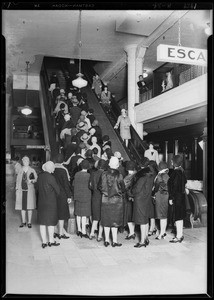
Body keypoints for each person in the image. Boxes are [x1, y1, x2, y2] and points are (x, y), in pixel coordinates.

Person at [99, 156, 125, 247]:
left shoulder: (103, 174)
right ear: (117, 165)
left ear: (109, 164)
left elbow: (100, 186)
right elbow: (123, 188)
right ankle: (114, 241)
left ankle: (106, 240)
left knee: (106, 220)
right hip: (117, 201)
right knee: (115, 222)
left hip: (105, 199)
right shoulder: (119, 175)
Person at [37, 161, 60, 248]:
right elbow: (58, 191)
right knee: (51, 223)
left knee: (42, 223)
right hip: (51, 203)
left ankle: (44, 242)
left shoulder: (40, 176)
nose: (54, 168)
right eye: (53, 167)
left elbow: (37, 189)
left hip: (41, 202)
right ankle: (51, 241)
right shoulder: (51, 177)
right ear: (50, 168)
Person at [132, 157, 154, 248]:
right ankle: (145, 238)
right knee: (145, 220)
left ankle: (142, 242)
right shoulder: (151, 174)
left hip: (140, 200)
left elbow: (137, 189)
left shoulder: (142, 176)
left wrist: (130, 192)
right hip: (147, 199)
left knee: (141, 221)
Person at [168, 155, 187, 243]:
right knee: (180, 216)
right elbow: (185, 183)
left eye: (172, 161)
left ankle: (178, 236)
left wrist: (171, 197)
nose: (171, 163)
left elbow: (174, 187)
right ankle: (180, 234)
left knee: (177, 217)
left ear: (175, 162)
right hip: (182, 196)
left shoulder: (175, 173)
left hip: (177, 197)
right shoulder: (182, 171)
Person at [15, 156, 38, 228]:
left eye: (27, 161)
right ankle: (23, 222)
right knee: (22, 207)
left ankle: (29, 222)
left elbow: (35, 179)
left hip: (29, 191)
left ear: (29, 162)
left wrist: (31, 181)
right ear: (22, 162)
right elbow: (17, 180)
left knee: (29, 207)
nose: (25, 162)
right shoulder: (20, 170)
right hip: (21, 191)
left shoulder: (32, 170)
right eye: (24, 161)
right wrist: (16, 189)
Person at [53, 153, 72, 239]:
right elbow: (66, 184)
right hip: (62, 194)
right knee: (61, 214)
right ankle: (60, 233)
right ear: (62, 161)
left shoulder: (51, 169)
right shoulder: (64, 170)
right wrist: (69, 196)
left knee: (54, 213)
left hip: (53, 194)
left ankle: (53, 231)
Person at [89, 159, 108, 241]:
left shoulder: (93, 173)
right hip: (103, 197)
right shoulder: (105, 174)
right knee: (102, 217)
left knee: (95, 216)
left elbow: (90, 186)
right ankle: (100, 235)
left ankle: (92, 233)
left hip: (95, 196)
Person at [73, 159, 92, 238]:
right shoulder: (88, 175)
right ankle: (84, 231)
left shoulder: (76, 174)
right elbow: (91, 186)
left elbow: (73, 184)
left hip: (77, 195)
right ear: (88, 167)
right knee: (84, 214)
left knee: (78, 213)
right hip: (86, 196)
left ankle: (79, 230)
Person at [152, 161, 170, 240]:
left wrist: (153, 193)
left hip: (160, 195)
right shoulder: (167, 175)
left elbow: (156, 187)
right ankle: (163, 232)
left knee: (161, 215)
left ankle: (161, 234)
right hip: (166, 195)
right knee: (164, 215)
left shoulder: (160, 176)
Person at [123, 161, 137, 240]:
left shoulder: (128, 177)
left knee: (129, 215)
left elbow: (125, 187)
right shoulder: (136, 175)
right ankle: (132, 232)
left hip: (128, 198)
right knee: (132, 216)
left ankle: (131, 233)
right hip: (134, 199)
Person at [147, 160, 158, 236]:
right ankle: (153, 227)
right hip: (152, 195)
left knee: (151, 213)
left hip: (151, 194)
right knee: (151, 212)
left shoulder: (152, 174)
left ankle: (152, 228)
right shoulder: (155, 173)